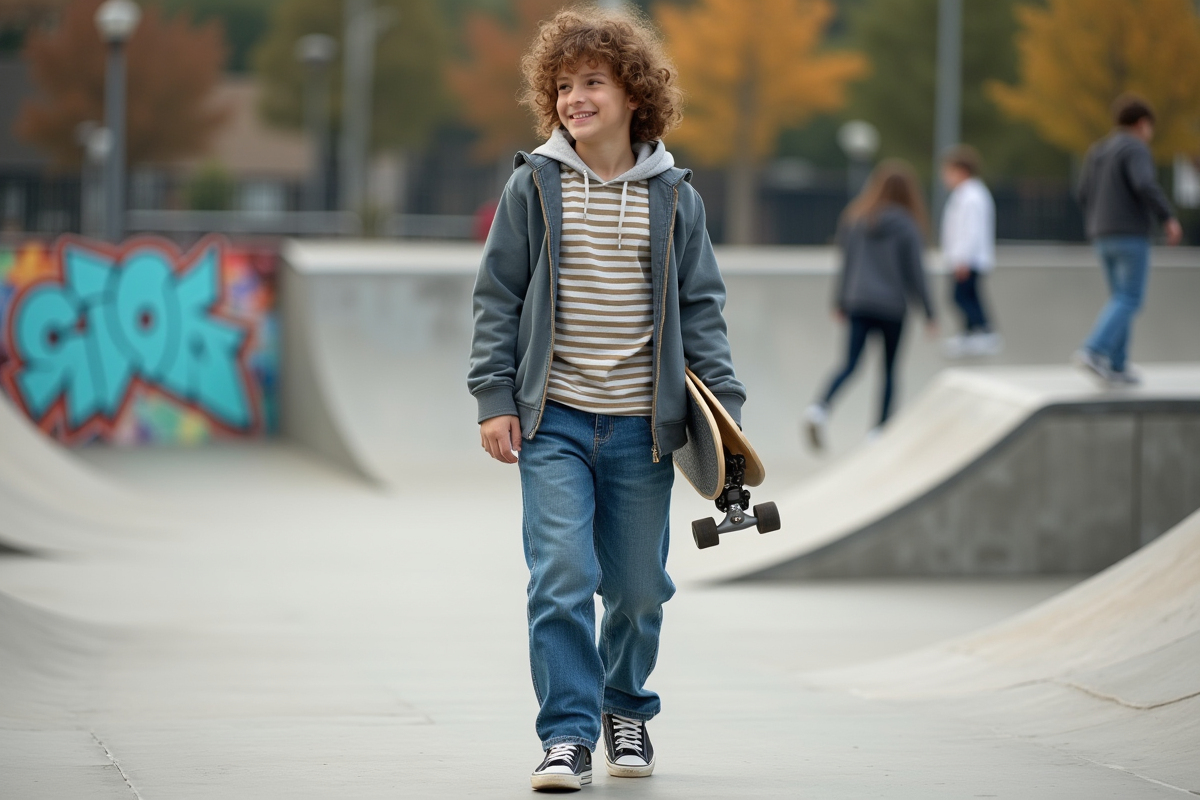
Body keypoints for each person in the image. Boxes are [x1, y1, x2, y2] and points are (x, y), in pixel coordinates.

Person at [467, 7, 745, 792]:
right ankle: (566, 736)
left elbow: (702, 310)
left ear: (634, 94)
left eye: (592, 82)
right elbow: (497, 297)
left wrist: (724, 414)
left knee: (636, 590)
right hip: (552, 421)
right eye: (562, 86)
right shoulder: (534, 186)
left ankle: (625, 705)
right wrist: (494, 396)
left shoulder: (675, 197)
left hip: (642, 429)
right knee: (560, 574)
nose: (575, 98)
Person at [805, 160, 935, 451]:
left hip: (858, 302)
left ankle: (819, 408)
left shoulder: (856, 219)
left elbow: (847, 264)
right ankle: (879, 431)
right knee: (889, 370)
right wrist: (930, 312)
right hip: (892, 307)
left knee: (850, 363)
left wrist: (840, 300)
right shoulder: (908, 225)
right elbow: (915, 272)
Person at [1075, 94, 1183, 385]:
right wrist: (1167, 217)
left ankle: (1118, 366)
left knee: (1119, 299)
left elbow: (1083, 193)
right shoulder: (1135, 147)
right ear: (1143, 123)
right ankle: (1094, 350)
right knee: (1130, 298)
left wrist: (1099, 219)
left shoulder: (1098, 150)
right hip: (1129, 234)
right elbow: (1144, 183)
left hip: (1101, 235)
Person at [939, 144, 1001, 358]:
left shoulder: (972, 195)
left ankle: (985, 331)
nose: (945, 177)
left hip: (969, 259)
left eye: (949, 172)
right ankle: (969, 333)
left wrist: (962, 258)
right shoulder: (965, 194)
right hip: (964, 258)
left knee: (961, 297)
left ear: (962, 171)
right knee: (968, 296)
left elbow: (971, 230)